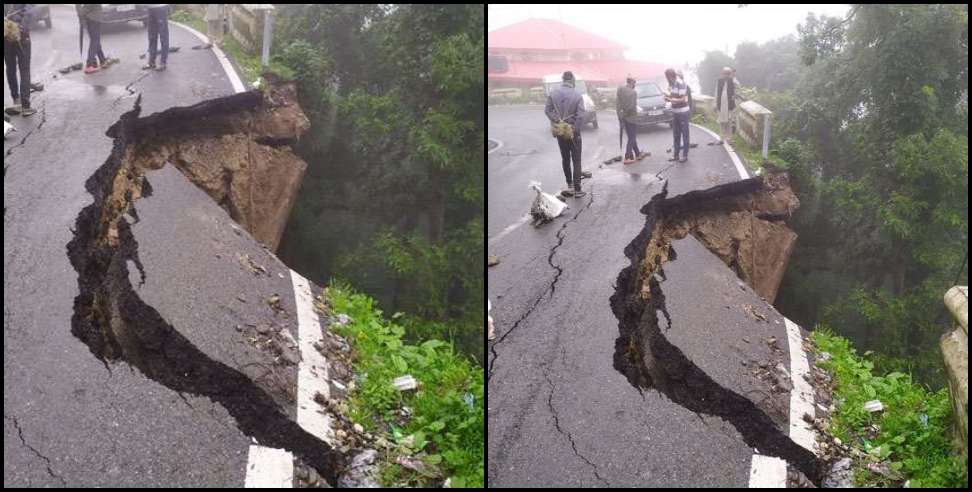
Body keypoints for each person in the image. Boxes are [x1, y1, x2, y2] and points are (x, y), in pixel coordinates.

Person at [544, 71, 586, 197]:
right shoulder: (577, 95)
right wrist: (574, 129)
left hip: (561, 131)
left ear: (563, 80)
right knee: (576, 159)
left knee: (565, 158)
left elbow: (547, 110)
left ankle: (570, 185)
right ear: (572, 80)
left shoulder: (553, 93)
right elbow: (581, 115)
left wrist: (557, 120)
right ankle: (578, 190)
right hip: (573, 131)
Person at [4, 4, 37, 116]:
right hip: (21, 36)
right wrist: (22, 28)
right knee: (24, 69)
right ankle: (26, 107)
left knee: (10, 68)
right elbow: (30, 11)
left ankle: (16, 101)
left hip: (6, 35)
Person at [616, 77, 647, 165]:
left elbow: (618, 103)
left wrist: (620, 116)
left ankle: (637, 154)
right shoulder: (633, 93)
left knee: (631, 137)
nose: (635, 85)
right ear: (631, 83)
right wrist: (626, 114)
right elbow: (631, 107)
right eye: (634, 83)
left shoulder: (620, 89)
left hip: (624, 118)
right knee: (632, 138)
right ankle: (627, 156)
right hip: (631, 118)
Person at [664, 68, 690, 163]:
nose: (666, 79)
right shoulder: (672, 84)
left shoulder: (680, 83)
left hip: (683, 112)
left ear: (670, 76)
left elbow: (683, 99)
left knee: (685, 134)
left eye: (667, 77)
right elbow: (674, 96)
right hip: (675, 112)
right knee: (676, 134)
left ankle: (685, 155)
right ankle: (676, 155)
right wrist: (668, 98)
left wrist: (670, 100)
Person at [711, 67, 736, 145]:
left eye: (728, 74)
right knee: (722, 122)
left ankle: (729, 139)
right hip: (721, 103)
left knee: (729, 122)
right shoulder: (719, 81)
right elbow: (716, 93)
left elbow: (737, 89)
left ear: (729, 74)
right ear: (722, 74)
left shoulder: (733, 81)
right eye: (725, 73)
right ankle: (721, 138)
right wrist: (715, 104)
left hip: (729, 105)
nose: (726, 75)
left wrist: (733, 77)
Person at [143, 4, 170, 71]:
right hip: (150, 8)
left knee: (163, 36)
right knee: (152, 36)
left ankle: (163, 62)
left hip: (161, 8)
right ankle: (151, 62)